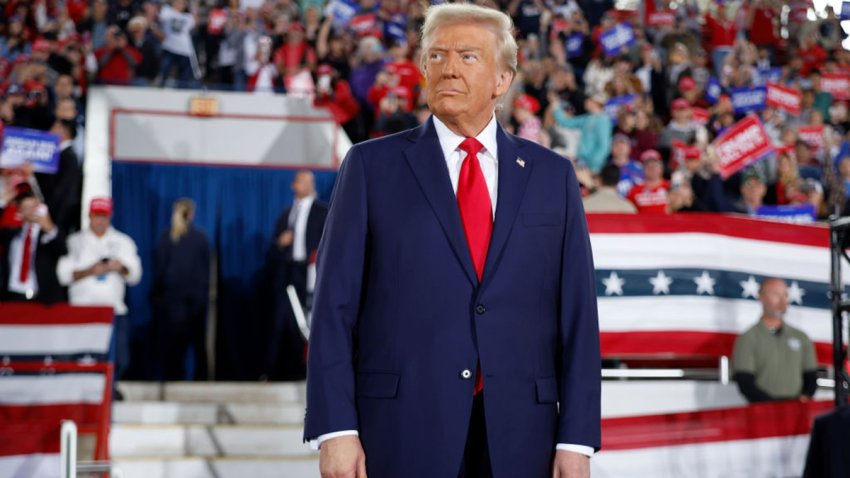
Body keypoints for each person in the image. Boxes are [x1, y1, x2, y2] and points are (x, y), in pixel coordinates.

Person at [304, 4, 600, 478]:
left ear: (502, 81)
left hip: (524, 436)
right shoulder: (369, 167)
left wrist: (577, 438)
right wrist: (335, 428)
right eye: (436, 56)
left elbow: (578, 314)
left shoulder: (553, 177)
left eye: (467, 56)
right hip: (400, 430)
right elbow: (334, 307)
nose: (447, 68)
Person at [55, 198, 142, 396]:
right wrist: (91, 271)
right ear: (89, 216)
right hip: (82, 309)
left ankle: (109, 389)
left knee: (119, 357)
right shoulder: (74, 241)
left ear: (109, 216)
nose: (100, 221)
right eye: (96, 216)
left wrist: (121, 267)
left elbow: (135, 275)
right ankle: (81, 392)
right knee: (81, 355)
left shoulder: (123, 242)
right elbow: (63, 275)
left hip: (113, 309)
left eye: (103, 216)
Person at [268, 170, 327, 380]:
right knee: (288, 321)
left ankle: (310, 370)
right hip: (290, 272)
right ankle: (286, 371)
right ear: (294, 185)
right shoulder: (286, 215)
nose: (308, 185)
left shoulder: (323, 212)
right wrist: (280, 243)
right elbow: (274, 248)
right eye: (303, 181)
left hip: (313, 273)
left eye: (311, 181)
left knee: (311, 319)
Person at [151, 198, 210, 381]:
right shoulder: (200, 237)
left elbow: (159, 268)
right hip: (196, 298)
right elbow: (206, 268)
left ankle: (174, 377)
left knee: (175, 341)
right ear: (191, 214)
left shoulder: (166, 237)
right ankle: (201, 378)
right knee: (197, 341)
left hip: (174, 297)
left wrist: (158, 292)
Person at [732, 277, 818, 403]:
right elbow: (745, 381)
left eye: (785, 295)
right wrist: (772, 407)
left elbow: (811, 375)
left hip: (796, 411)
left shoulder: (801, 337)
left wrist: (804, 398)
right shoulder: (748, 338)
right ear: (761, 297)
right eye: (776, 294)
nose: (782, 301)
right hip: (762, 411)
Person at [0, 184, 66, 303]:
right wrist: (1, 203)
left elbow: (63, 250)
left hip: (42, 299)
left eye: (34, 206)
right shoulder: (11, 233)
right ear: (19, 210)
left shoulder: (47, 234)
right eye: (26, 207)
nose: (31, 211)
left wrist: (49, 227)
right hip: (13, 297)